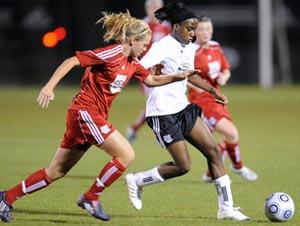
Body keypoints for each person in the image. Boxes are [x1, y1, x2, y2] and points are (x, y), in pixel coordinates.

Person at [0, 11, 199, 223]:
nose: (145, 49)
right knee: (126, 154)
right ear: (132, 40)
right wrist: (49, 86)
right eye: (144, 44)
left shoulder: (133, 63)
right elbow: (71, 61)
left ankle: (6, 198)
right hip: (85, 112)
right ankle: (90, 198)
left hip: (88, 117)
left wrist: (178, 76)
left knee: (55, 171)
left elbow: (150, 80)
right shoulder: (112, 54)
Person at [124, 2, 250, 221]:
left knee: (213, 151)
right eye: (189, 28)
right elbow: (139, 68)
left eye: (194, 29)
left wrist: (212, 91)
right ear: (175, 27)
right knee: (183, 166)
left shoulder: (187, 47)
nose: (192, 33)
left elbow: (189, 74)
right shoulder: (163, 46)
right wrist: (161, 76)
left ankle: (226, 208)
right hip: (162, 113)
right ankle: (137, 180)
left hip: (182, 108)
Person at [188, 16, 258, 182]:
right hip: (201, 101)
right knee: (231, 133)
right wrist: (200, 87)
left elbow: (226, 69)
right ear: (195, 31)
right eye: (201, 29)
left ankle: (211, 174)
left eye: (208, 29)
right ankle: (238, 167)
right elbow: (185, 77)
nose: (205, 33)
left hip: (217, 99)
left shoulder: (215, 47)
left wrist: (223, 78)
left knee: (225, 138)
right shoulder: (189, 51)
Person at [127, 0, 172, 143]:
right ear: (146, 9)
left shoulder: (166, 26)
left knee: (158, 102)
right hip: (145, 70)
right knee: (156, 102)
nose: (154, 10)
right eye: (151, 7)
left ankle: (135, 128)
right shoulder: (140, 26)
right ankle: (161, 133)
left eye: (157, 7)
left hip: (162, 71)